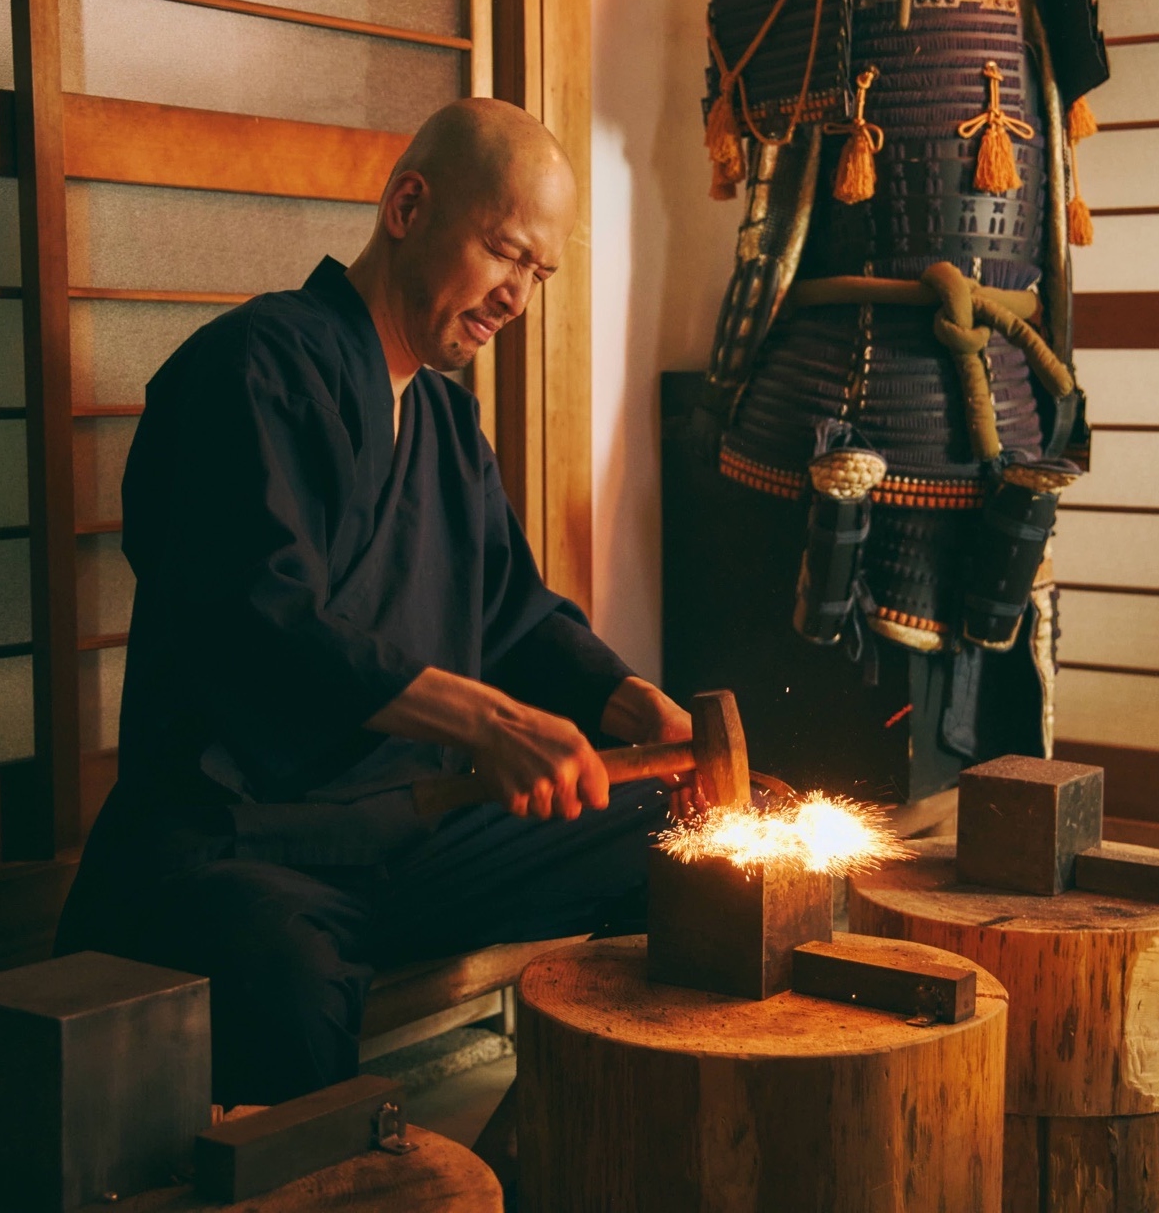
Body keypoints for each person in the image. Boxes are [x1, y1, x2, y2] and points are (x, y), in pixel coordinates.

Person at [56, 99, 693, 1106]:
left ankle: (551, 1146)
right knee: (286, 984)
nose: (517, 296)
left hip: (408, 831)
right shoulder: (247, 368)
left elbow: (515, 614)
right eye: (504, 253)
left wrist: (629, 703)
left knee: (672, 834)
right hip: (241, 842)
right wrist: (486, 718)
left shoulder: (445, 419)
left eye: (540, 273)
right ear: (407, 205)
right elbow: (257, 619)